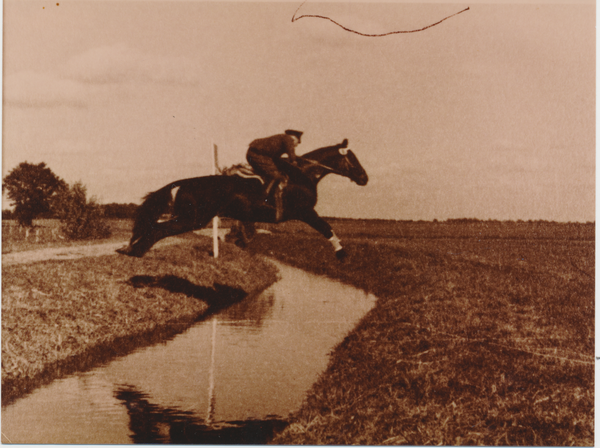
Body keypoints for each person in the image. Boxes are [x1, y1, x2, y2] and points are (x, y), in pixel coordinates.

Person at [246, 130, 303, 221]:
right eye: (297, 142)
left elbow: (276, 157)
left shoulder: (280, 140)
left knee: (273, 173)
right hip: (257, 155)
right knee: (277, 176)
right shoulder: (288, 139)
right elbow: (292, 156)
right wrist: (296, 164)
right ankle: (263, 199)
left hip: (256, 154)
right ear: (294, 138)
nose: (296, 145)